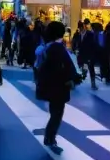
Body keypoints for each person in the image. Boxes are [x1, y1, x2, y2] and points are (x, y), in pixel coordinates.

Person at [34, 21, 80, 153]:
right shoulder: (58, 48)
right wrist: (74, 77)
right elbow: (67, 64)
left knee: (54, 111)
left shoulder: (46, 46)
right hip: (59, 85)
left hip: (47, 84)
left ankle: (49, 137)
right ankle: (50, 137)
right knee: (57, 113)